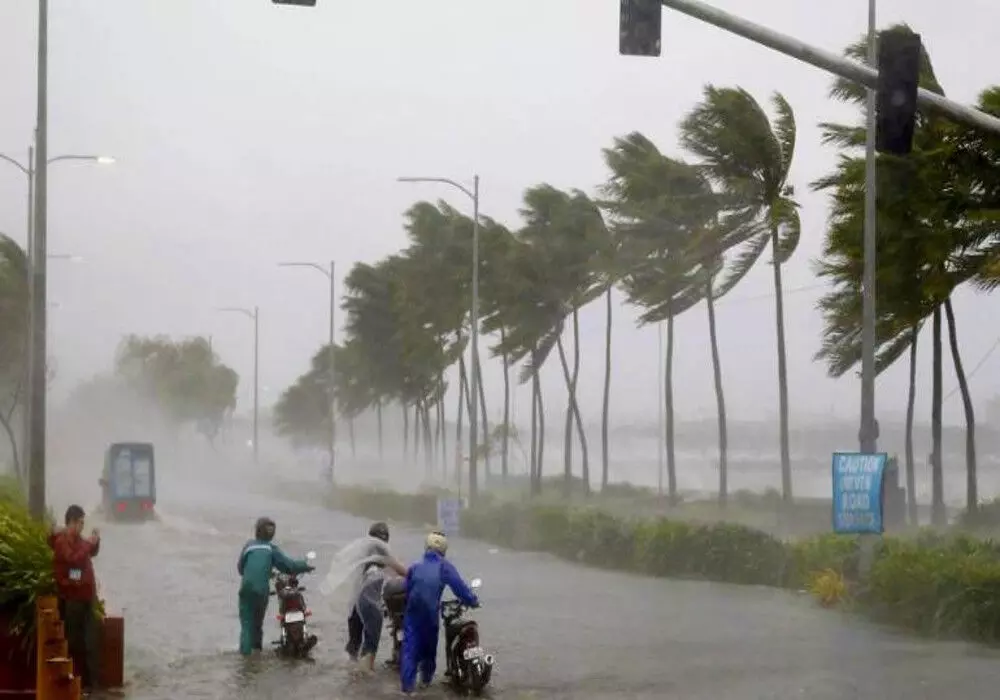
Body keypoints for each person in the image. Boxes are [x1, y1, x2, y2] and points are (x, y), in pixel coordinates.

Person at [400, 531, 479, 696]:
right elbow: (460, 588)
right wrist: (473, 601)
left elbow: (407, 590)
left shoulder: (414, 566)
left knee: (409, 649)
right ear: (443, 549)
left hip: (412, 613)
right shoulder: (444, 567)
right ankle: (425, 683)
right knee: (429, 649)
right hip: (430, 614)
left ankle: (407, 689)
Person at [236, 516, 314, 656]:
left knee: (246, 625)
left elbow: (240, 569)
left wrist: (262, 572)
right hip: (261, 591)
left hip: (246, 590)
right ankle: (256, 651)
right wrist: (305, 566)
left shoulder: (249, 546)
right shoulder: (271, 549)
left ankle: (245, 658)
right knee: (257, 624)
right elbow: (288, 566)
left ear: (257, 531)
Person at [49, 505, 101, 694]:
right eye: (80, 523)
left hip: (85, 596)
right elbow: (73, 559)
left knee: (90, 640)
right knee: (76, 641)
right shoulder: (63, 541)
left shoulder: (78, 540)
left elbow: (89, 553)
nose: (82, 527)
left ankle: (89, 683)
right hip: (73, 598)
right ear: (71, 522)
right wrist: (89, 545)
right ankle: (77, 683)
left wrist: (95, 542)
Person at [344, 521, 407, 672]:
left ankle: (350, 675)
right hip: (371, 604)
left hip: (356, 602)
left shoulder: (362, 553)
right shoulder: (382, 554)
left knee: (354, 643)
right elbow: (401, 571)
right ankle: (365, 679)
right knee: (370, 646)